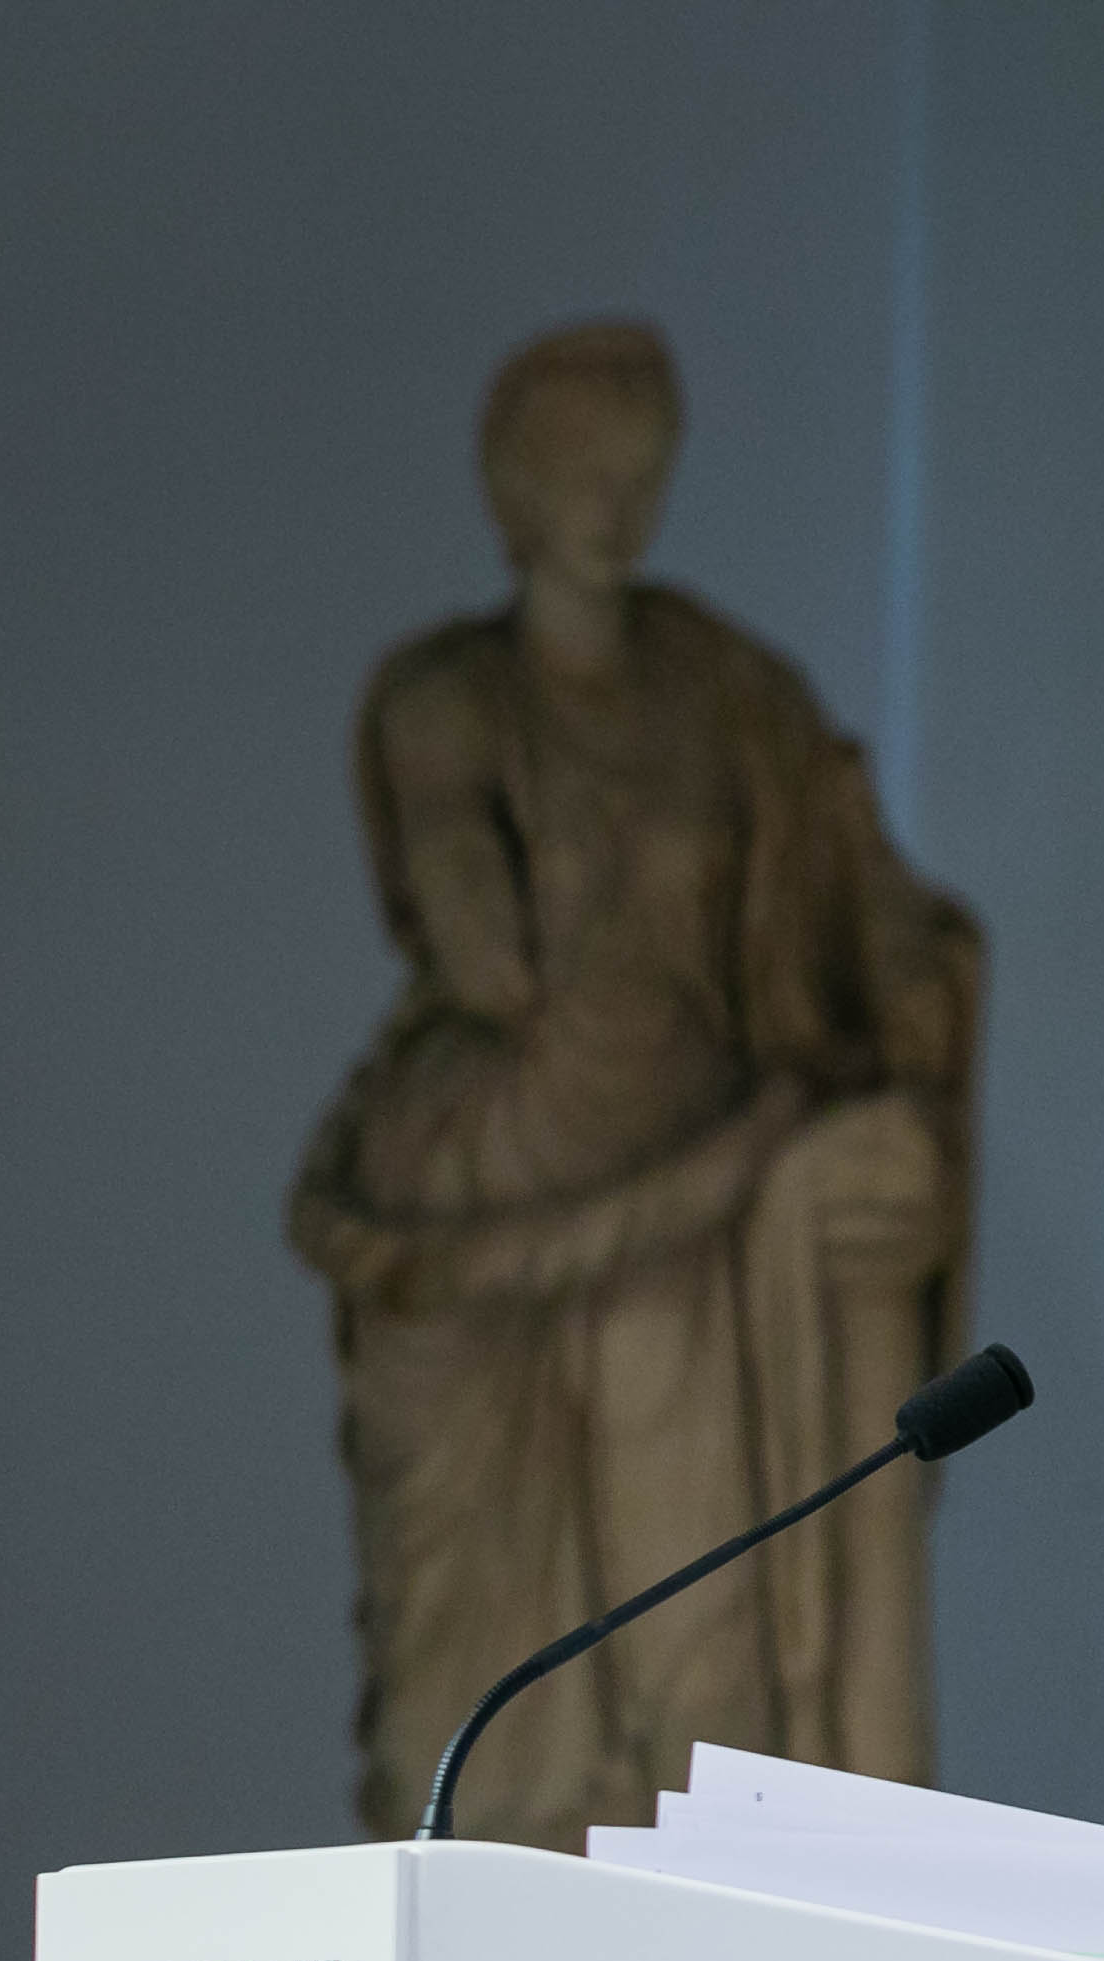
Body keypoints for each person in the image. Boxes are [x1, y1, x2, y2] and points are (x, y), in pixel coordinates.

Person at [290, 319, 978, 1844]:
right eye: (578, 470)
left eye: (636, 470)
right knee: (463, 1687)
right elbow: (482, 956)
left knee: (700, 1663)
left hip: (707, 1211)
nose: (613, 503)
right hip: (499, 1187)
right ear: (512, 485)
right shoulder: (442, 699)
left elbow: (866, 899)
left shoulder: (728, 692)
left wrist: (908, 1023)